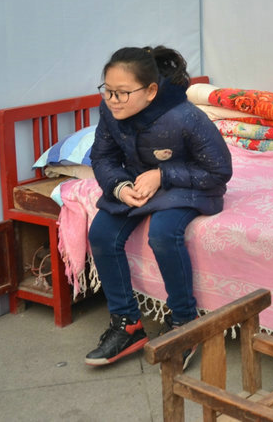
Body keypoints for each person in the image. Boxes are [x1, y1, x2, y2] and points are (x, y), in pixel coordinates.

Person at [85, 46, 232, 367]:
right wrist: (119, 186)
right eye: (108, 91)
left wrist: (162, 174)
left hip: (187, 186)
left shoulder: (186, 117)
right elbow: (103, 157)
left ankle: (183, 321)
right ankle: (127, 324)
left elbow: (219, 171)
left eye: (123, 93)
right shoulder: (110, 112)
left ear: (151, 91)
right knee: (101, 234)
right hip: (136, 183)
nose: (113, 100)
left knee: (163, 234)